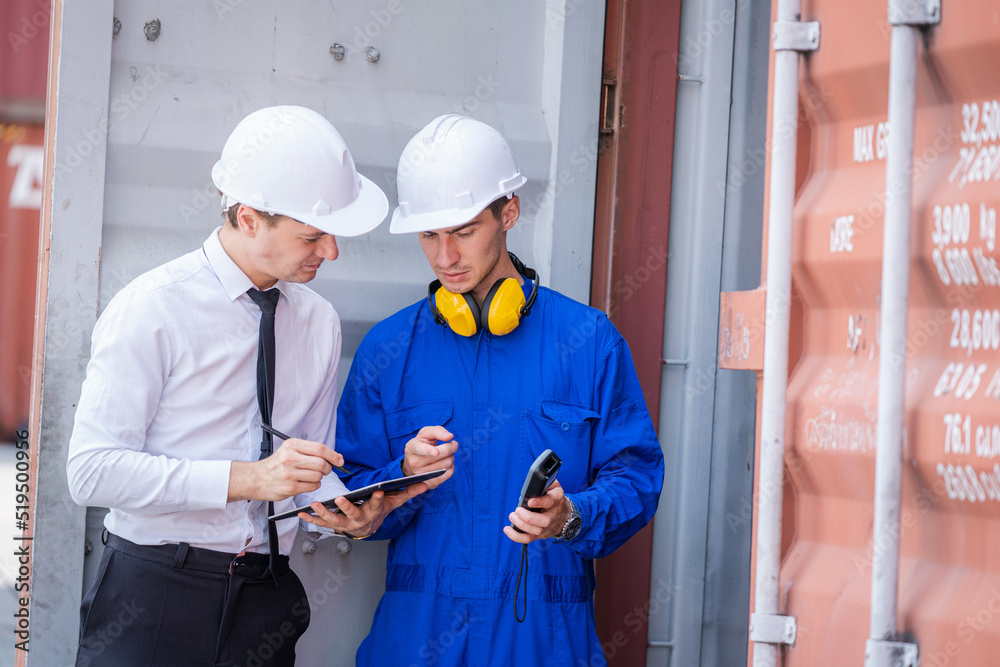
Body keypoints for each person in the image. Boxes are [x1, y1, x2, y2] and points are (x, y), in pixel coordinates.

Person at [65, 105, 428, 666]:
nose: (331, 252)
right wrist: (249, 479)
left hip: (266, 597)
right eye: (314, 236)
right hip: (155, 596)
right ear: (250, 217)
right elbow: (91, 471)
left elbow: (303, 475)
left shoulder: (318, 322)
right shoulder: (152, 307)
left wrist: (348, 514)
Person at [331, 114, 665, 666]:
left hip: (543, 636)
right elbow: (352, 492)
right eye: (429, 235)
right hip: (418, 639)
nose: (445, 257)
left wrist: (571, 517)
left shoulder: (588, 342)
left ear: (508, 212)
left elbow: (636, 478)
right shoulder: (389, 350)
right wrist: (396, 482)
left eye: (464, 231)